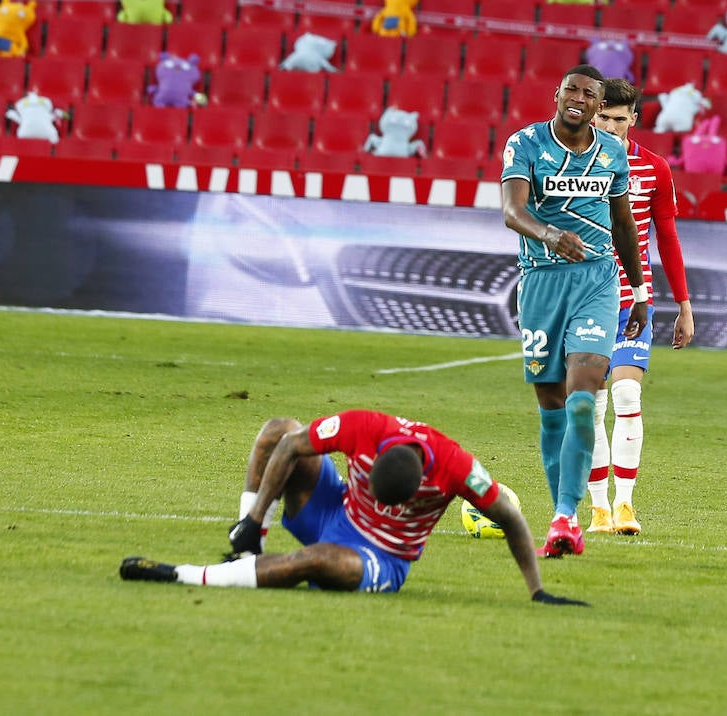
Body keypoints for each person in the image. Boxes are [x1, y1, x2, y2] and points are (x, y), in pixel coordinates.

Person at [120, 411, 587, 605]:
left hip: (380, 558)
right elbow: (287, 447)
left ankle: (180, 573)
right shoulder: (363, 426)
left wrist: (536, 590)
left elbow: (510, 515)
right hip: (334, 511)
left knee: (319, 562)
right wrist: (253, 518)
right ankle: (247, 554)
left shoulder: (457, 467)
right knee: (277, 429)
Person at [500, 65, 649, 559]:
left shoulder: (612, 154)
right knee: (552, 409)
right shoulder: (524, 144)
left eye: (590, 93)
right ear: (557, 95)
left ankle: (568, 517)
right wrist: (549, 235)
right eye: (572, 90)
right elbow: (512, 211)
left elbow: (624, 224)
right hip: (541, 282)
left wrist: (641, 292)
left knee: (584, 395)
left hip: (597, 282)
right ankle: (559, 512)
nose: (580, 99)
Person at [585, 78, 694, 536]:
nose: (610, 125)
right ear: (594, 117)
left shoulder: (654, 168)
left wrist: (684, 305)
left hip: (634, 303)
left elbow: (666, 238)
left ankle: (626, 505)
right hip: (583, 301)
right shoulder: (571, 165)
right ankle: (597, 509)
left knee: (628, 396)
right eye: (603, 117)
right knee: (589, 405)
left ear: (634, 119)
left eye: (619, 118)